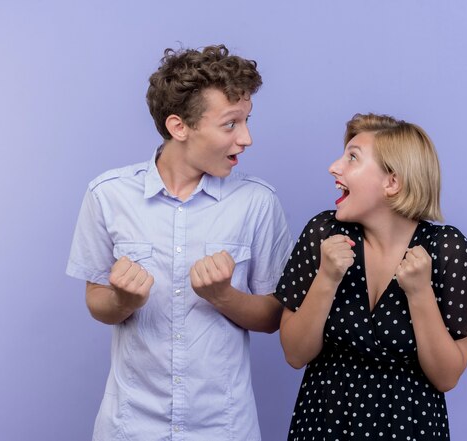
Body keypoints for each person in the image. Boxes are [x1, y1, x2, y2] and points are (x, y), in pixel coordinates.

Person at [66, 44, 292, 441]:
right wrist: (124, 301)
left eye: (247, 121)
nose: (247, 138)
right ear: (179, 127)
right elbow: (96, 301)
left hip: (224, 428)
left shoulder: (258, 202)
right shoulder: (107, 195)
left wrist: (223, 295)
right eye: (231, 124)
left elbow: (276, 317)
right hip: (130, 427)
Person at [274, 113, 467, 440]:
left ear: (392, 182)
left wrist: (420, 292)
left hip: (409, 426)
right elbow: (295, 354)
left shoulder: (447, 248)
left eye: (352, 158)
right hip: (323, 422)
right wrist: (326, 277)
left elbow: (446, 377)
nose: (334, 167)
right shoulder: (323, 233)